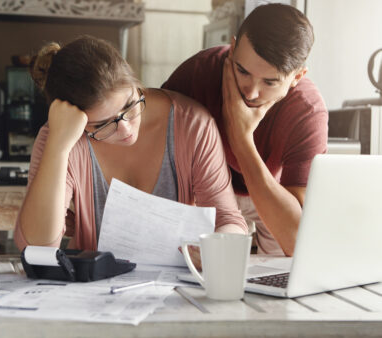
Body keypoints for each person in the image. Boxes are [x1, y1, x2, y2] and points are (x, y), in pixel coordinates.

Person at [14, 35, 248, 252]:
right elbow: (35, 247)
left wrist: (214, 250)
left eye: (130, 105)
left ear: (135, 83)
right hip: (91, 291)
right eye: (102, 125)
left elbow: (228, 220)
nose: (125, 128)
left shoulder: (192, 124)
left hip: (174, 289)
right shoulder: (58, 137)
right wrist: (59, 146)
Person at [162, 3, 328, 256]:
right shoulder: (198, 72)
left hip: (271, 190)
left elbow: (296, 240)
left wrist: (241, 139)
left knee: (285, 270)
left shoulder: (307, 111)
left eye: (270, 82)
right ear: (233, 47)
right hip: (205, 188)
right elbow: (152, 143)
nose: (251, 92)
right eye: (242, 71)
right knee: (191, 264)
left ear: (297, 77)